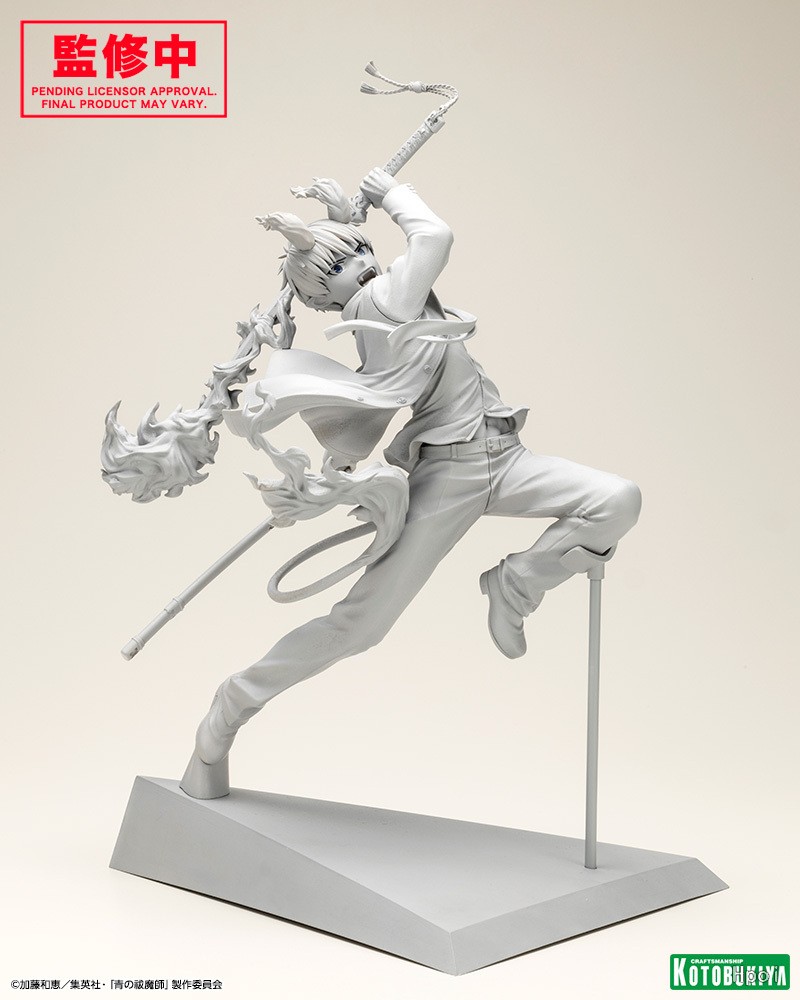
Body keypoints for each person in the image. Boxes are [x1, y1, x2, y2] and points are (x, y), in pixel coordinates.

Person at [179, 167, 641, 799]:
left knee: (615, 499)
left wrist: (351, 216)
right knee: (360, 626)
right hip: (451, 473)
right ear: (325, 297)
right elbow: (435, 236)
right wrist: (392, 193)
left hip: (504, 454)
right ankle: (232, 704)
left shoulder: (389, 301)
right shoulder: (385, 303)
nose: (365, 264)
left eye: (360, 250)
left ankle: (516, 583)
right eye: (342, 266)